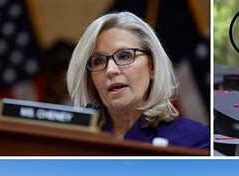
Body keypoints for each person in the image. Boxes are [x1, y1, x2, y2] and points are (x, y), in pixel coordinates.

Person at [67, 12, 209, 149]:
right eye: (98, 60)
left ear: (152, 66)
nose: (111, 70)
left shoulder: (193, 139)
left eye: (124, 56)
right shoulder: (75, 141)